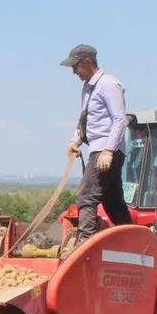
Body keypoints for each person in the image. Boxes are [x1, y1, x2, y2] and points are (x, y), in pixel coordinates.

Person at [61, 44, 134, 250]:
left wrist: (108, 151)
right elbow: (86, 117)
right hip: (97, 148)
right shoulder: (88, 87)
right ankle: (133, 243)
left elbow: (120, 119)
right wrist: (75, 139)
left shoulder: (109, 84)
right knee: (113, 203)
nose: (74, 72)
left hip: (104, 150)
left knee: (85, 196)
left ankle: (86, 246)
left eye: (76, 67)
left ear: (87, 62)